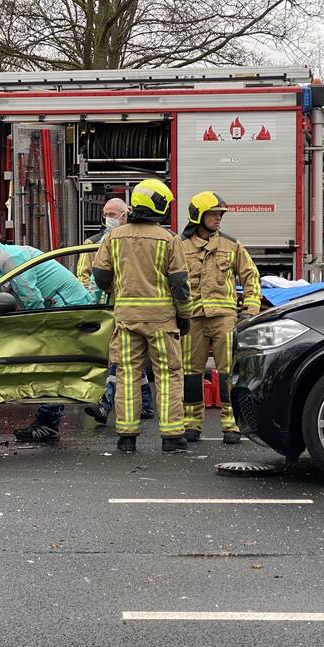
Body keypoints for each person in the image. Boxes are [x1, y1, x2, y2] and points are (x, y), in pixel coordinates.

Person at [0, 229, 94, 442]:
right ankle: (49, 421)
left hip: (67, 310)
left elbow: (31, 298)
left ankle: (48, 422)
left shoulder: (7, 259)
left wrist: (32, 328)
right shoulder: (0, 258)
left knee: (50, 366)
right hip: (63, 308)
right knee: (53, 366)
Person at [92, 178, 192, 454]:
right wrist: (185, 315)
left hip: (126, 320)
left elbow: (100, 276)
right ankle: (172, 436)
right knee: (168, 375)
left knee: (126, 375)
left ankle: (127, 436)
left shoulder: (114, 237)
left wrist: (118, 290)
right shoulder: (169, 239)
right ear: (158, 206)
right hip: (162, 321)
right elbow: (180, 284)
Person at [179, 192, 261, 445]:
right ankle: (191, 422)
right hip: (192, 317)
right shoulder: (180, 246)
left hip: (224, 318)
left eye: (220, 215)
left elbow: (251, 277)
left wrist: (250, 310)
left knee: (228, 372)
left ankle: (231, 423)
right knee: (191, 373)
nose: (218, 219)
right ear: (198, 217)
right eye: (213, 214)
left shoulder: (231, 245)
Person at [79, 198, 154, 426]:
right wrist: (90, 306)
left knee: (122, 357)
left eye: (113, 214)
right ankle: (142, 404)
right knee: (124, 358)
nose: (109, 218)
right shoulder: (93, 243)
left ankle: (108, 404)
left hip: (129, 308)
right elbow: (85, 276)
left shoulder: (130, 239)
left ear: (125, 214)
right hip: (108, 309)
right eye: (106, 214)